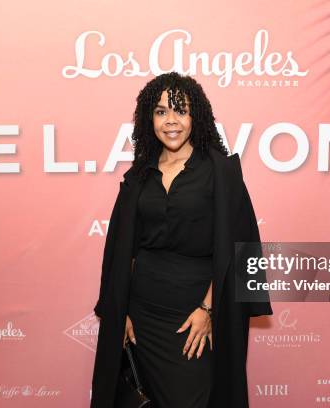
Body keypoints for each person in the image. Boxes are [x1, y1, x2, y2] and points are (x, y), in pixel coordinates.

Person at [91, 71, 273, 408]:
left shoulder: (221, 171)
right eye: (160, 112)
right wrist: (122, 311)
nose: (170, 121)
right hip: (142, 315)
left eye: (180, 110)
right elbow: (123, 249)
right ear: (150, 118)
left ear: (196, 116)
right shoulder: (140, 174)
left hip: (196, 314)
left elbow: (238, 248)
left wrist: (208, 310)